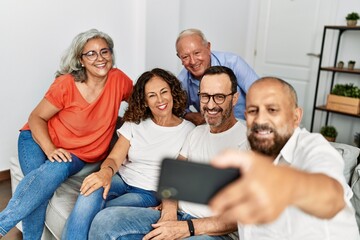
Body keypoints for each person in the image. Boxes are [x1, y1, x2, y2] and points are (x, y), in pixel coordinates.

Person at [0, 29, 133, 239]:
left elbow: (141, 104)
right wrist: (50, 148)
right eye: (91, 53)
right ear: (80, 59)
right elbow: (36, 118)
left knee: (49, 178)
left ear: (111, 54)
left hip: (79, 153)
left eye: (104, 51)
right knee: (40, 191)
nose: (99, 58)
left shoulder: (119, 80)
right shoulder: (66, 83)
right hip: (36, 139)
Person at [88, 66, 249, 240]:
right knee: (105, 220)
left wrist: (186, 228)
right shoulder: (196, 133)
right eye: (205, 96)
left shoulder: (249, 142)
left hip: (211, 231)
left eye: (219, 97)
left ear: (234, 99)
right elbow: (173, 177)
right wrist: (169, 213)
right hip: (178, 217)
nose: (210, 105)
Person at [209, 77, 360, 240]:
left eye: (272, 110)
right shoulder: (245, 151)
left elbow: (330, 196)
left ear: (296, 117)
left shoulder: (313, 148)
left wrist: (282, 183)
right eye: (253, 111)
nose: (260, 120)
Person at [61, 68, 195, 240]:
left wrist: (168, 203)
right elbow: (114, 158)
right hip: (121, 179)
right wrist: (105, 173)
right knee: (90, 191)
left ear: (173, 93)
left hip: (147, 192)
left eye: (164, 92)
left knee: (100, 214)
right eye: (152, 95)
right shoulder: (135, 123)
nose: (160, 100)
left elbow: (180, 174)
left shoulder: (188, 131)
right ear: (145, 101)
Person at [176, 28, 258, 125]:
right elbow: (177, 108)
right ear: (179, 58)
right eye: (185, 57)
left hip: (246, 123)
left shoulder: (233, 63)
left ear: (208, 47)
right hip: (213, 127)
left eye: (197, 53)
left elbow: (260, 93)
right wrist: (190, 116)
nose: (193, 61)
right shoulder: (182, 81)